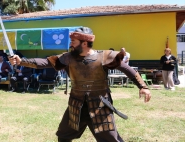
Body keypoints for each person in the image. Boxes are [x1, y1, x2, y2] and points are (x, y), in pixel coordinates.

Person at [9, 26, 151, 142]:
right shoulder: (68, 58)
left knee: (110, 140)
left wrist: (143, 87)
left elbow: (128, 69)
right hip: (76, 104)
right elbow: (45, 62)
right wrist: (22, 61)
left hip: (100, 105)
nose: (71, 44)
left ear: (84, 43)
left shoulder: (105, 56)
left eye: (73, 42)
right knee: (63, 136)